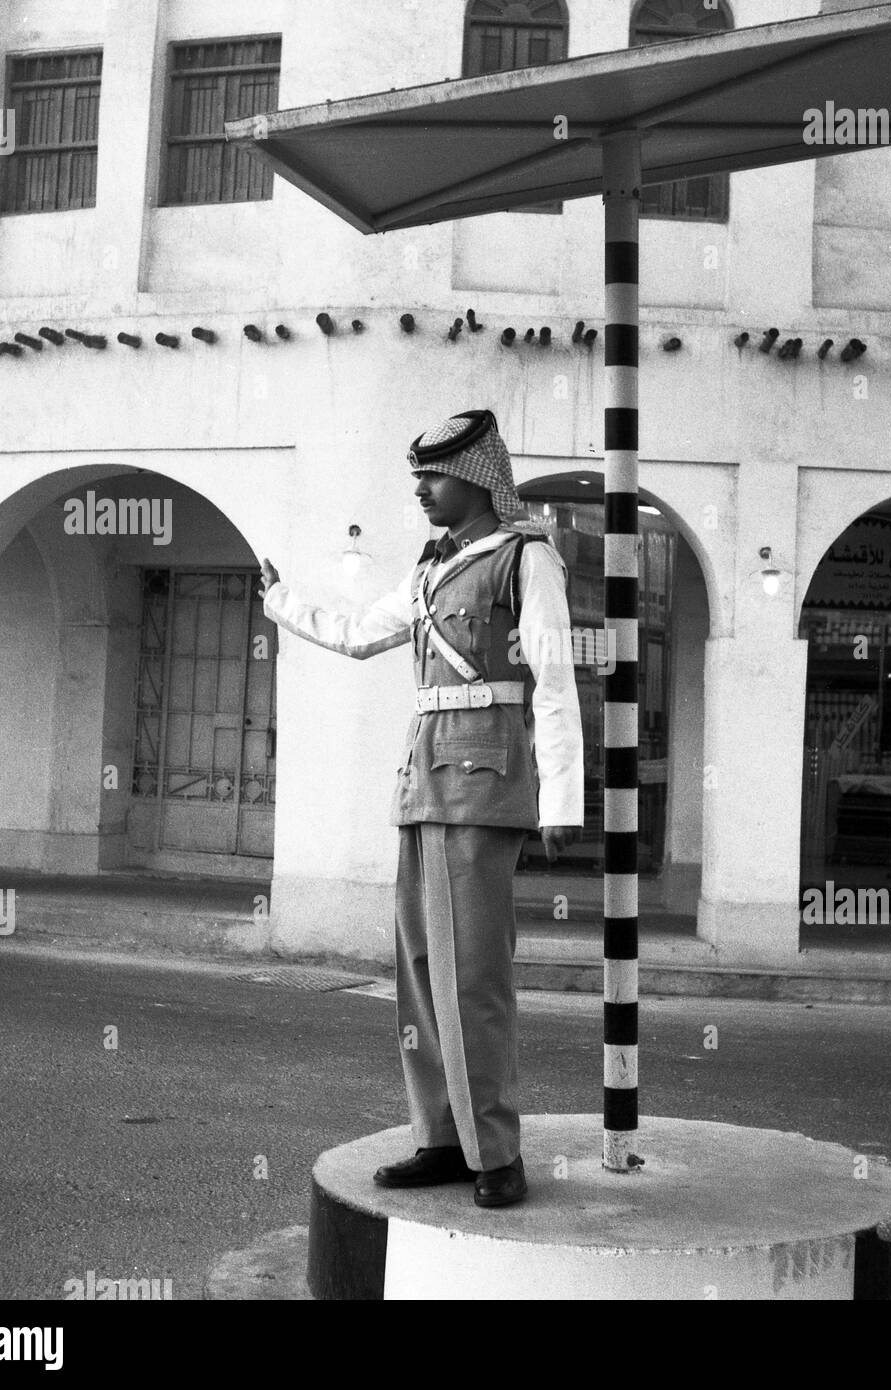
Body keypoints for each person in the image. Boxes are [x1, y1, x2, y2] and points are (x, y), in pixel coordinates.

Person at [260, 409, 583, 1209]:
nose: (422, 493)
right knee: (420, 976)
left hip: (485, 787)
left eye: (433, 478)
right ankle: (441, 1139)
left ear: (476, 480)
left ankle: (496, 1153)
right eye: (417, 479)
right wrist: (282, 604)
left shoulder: (525, 559)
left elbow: (553, 677)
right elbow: (363, 635)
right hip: (423, 785)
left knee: (474, 978)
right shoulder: (432, 568)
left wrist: (564, 797)